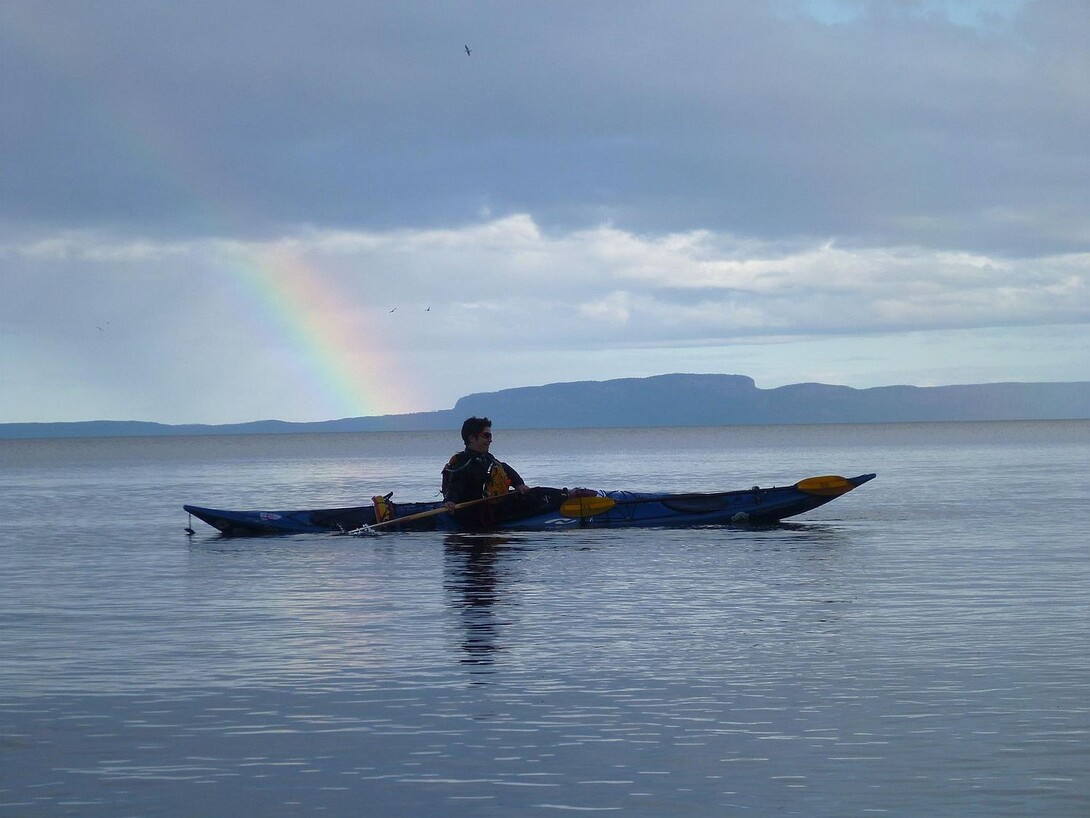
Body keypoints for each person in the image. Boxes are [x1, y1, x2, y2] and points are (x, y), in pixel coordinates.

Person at [442, 418, 530, 521]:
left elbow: (504, 469)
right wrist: (450, 501)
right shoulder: (462, 463)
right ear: (472, 438)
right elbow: (455, 485)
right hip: (471, 516)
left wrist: (519, 484)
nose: (490, 440)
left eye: (490, 436)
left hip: (492, 510)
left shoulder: (488, 458)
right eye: (486, 436)